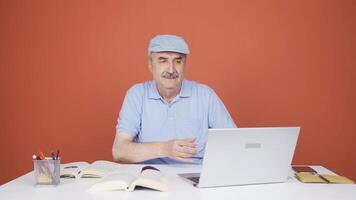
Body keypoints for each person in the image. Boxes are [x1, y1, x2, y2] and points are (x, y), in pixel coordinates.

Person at [112, 34, 236, 164]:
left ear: (184, 64)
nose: (171, 69)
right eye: (163, 60)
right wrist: (164, 149)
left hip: (196, 176)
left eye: (178, 61)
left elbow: (234, 143)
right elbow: (119, 151)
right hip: (150, 177)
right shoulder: (136, 95)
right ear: (150, 64)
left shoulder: (205, 95)